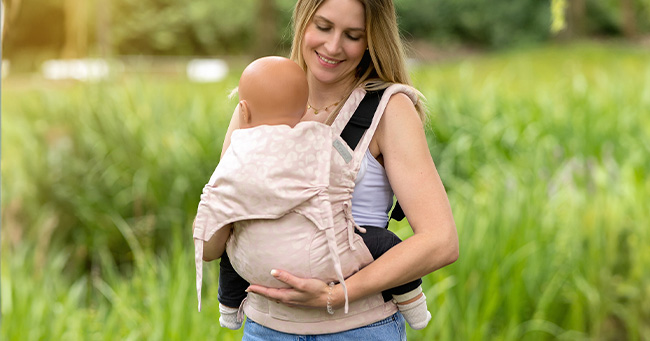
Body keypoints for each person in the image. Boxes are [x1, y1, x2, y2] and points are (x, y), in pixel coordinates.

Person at [201, 0, 459, 339]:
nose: (333, 46)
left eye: (352, 35)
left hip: (358, 329)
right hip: (266, 330)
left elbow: (440, 241)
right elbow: (210, 245)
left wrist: (334, 295)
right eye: (323, 27)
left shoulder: (388, 109)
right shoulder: (259, 104)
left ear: (371, 39)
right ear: (303, 20)